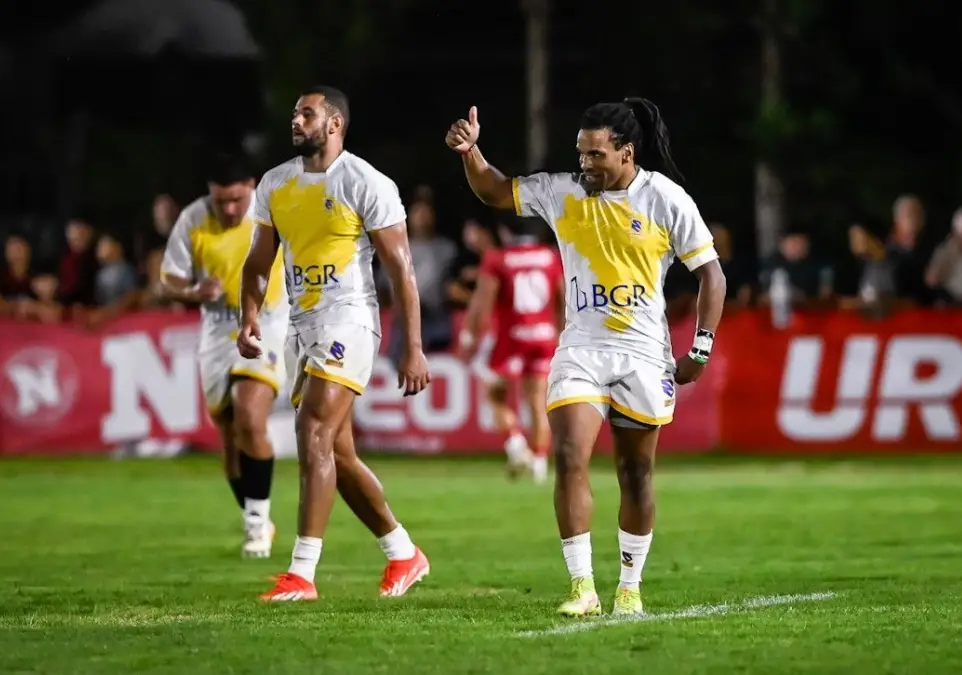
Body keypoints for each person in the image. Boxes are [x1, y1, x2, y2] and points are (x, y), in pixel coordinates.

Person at [446, 99, 726, 617]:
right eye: (581, 153)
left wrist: (701, 349)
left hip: (644, 354)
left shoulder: (664, 199)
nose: (586, 164)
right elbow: (493, 189)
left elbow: (712, 274)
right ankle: (582, 587)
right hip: (581, 350)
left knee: (635, 474)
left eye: (596, 154)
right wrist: (471, 152)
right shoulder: (562, 191)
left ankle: (629, 588)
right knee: (569, 454)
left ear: (626, 151)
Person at [239, 86, 432, 602]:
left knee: (312, 430)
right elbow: (259, 261)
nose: (296, 121)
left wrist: (412, 346)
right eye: (295, 112)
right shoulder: (276, 183)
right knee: (338, 454)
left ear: (335, 123)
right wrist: (249, 314)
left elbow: (401, 270)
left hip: (349, 321)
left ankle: (302, 574)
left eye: (308, 113)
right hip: (302, 326)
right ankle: (403, 552)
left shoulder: (366, 182)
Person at [159, 155, 289, 559]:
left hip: (267, 319)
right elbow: (170, 278)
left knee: (250, 413)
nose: (229, 209)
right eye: (221, 201)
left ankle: (255, 527)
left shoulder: (273, 210)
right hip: (216, 329)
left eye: (235, 199)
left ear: (251, 186)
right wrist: (195, 292)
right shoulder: (194, 218)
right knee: (231, 439)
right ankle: (259, 519)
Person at [456, 217, 563, 483]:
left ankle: (516, 444)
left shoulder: (497, 258)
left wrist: (470, 338)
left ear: (505, 230)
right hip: (545, 336)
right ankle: (539, 465)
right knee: (538, 403)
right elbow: (563, 298)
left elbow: (482, 305)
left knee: (494, 395)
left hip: (512, 337)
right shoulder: (550, 257)